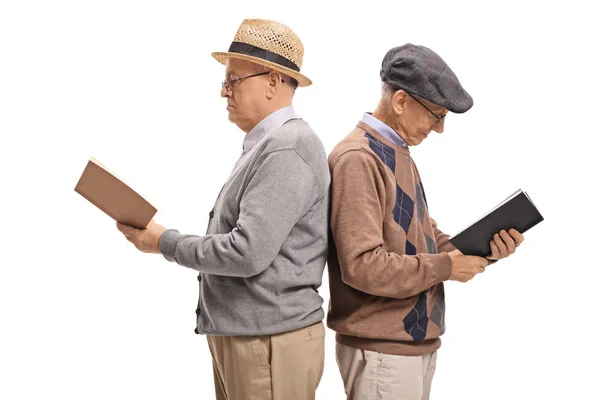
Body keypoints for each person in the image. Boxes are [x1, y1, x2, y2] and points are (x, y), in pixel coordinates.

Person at [117, 19, 329, 400]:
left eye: (233, 80)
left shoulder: (287, 148)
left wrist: (165, 242)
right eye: (225, 81)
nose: (223, 92)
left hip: (268, 342)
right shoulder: (269, 145)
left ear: (273, 81)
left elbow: (247, 253)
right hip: (251, 338)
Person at [326, 43, 525, 400]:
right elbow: (362, 266)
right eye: (437, 115)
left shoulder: (396, 152)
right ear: (400, 101)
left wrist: (487, 250)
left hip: (412, 347)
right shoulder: (358, 158)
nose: (440, 128)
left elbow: (428, 242)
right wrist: (446, 267)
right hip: (383, 351)